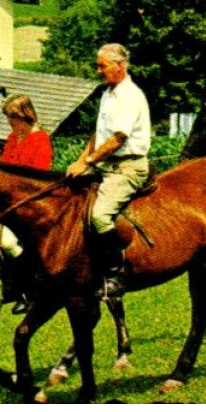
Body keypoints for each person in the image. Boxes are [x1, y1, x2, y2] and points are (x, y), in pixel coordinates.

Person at [65, 43, 151, 297]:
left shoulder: (129, 96)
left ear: (120, 66)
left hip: (127, 168)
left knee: (99, 216)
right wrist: (80, 160)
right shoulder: (108, 93)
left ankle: (116, 273)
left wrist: (88, 163)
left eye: (102, 65)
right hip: (105, 164)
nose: (98, 70)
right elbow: (99, 134)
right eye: (98, 65)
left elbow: (117, 139)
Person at [0, 94, 52, 172]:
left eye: (14, 117)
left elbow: (40, 174)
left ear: (26, 115)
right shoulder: (13, 137)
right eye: (8, 116)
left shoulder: (41, 140)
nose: (9, 121)